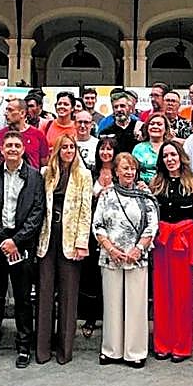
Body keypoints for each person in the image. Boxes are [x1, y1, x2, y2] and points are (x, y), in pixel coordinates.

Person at [0, 132, 45, 368]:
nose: (12, 149)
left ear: (23, 149)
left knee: (22, 298)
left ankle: (24, 346)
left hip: (22, 244)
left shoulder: (35, 177)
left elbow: (37, 212)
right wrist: (3, 239)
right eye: (8, 145)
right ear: (1, 148)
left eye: (17, 145)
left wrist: (16, 240)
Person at [92, 152, 158, 368]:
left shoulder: (144, 195)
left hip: (136, 257)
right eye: (124, 168)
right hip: (111, 256)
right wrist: (110, 248)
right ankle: (111, 350)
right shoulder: (106, 195)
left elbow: (152, 225)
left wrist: (138, 249)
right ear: (116, 171)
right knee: (112, 304)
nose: (129, 172)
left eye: (132, 169)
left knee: (136, 305)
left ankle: (135, 351)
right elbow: (97, 224)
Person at [36, 135, 93, 364]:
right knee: (44, 292)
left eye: (72, 147)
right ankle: (42, 350)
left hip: (71, 238)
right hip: (47, 236)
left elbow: (85, 210)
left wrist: (82, 242)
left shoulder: (84, 175)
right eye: (64, 147)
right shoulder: (45, 173)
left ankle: (64, 350)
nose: (68, 151)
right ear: (57, 150)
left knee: (68, 295)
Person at [150, 140, 193, 362]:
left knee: (182, 295)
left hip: (185, 241)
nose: (170, 159)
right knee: (162, 294)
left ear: (181, 156)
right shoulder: (156, 183)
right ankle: (162, 344)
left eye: (173, 155)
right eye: (165, 156)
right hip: (162, 242)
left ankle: (181, 345)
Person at [80, 137, 116, 337]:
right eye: (102, 148)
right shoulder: (90, 174)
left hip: (116, 233)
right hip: (92, 231)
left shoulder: (120, 174)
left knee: (112, 276)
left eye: (110, 149)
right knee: (92, 276)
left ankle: (112, 317)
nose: (106, 153)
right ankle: (91, 317)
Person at [0, 98, 49, 170]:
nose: (5, 113)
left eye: (10, 110)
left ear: (22, 113)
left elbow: (44, 163)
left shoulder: (38, 135)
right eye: (6, 110)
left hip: (31, 179)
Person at [132, 113, 170, 184]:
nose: (155, 126)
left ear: (166, 128)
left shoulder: (171, 147)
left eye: (159, 124)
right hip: (143, 188)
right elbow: (133, 171)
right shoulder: (138, 148)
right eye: (152, 124)